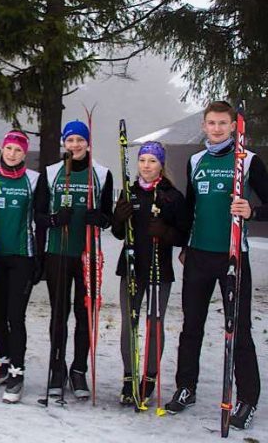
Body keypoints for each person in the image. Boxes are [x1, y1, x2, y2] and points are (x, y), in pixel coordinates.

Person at [165, 101, 268, 430]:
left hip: (233, 255)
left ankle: (247, 398)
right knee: (191, 326)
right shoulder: (196, 161)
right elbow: (191, 210)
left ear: (234, 126)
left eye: (223, 123)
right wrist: (183, 245)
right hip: (198, 255)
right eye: (211, 123)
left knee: (238, 330)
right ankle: (186, 387)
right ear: (205, 126)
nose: (217, 128)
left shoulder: (248, 161)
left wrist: (251, 211)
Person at [34, 119, 113, 400]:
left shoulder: (102, 174)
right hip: (58, 252)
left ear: (87, 142)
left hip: (87, 255)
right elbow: (39, 216)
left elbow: (109, 217)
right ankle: (57, 367)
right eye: (70, 140)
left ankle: (78, 369)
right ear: (64, 143)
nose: (75, 145)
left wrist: (100, 218)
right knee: (59, 313)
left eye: (80, 140)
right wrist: (56, 219)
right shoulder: (52, 172)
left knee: (85, 313)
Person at [111, 141, 189, 406]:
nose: (146, 166)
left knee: (155, 321)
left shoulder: (172, 196)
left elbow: (182, 233)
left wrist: (165, 232)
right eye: (143, 160)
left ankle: (150, 377)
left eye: (152, 161)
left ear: (161, 165)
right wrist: (119, 218)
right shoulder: (129, 192)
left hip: (159, 267)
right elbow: (119, 233)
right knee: (128, 322)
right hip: (132, 266)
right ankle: (129, 376)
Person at [0, 130, 41, 403]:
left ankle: (17, 370)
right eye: (8, 149)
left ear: (24, 154)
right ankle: (2, 359)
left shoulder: (34, 181)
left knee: (16, 316)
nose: (12, 154)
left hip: (22, 257)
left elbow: (40, 220)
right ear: (2, 150)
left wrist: (39, 262)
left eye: (18, 150)